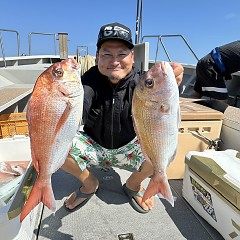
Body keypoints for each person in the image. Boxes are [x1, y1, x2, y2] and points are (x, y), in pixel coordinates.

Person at [62, 22, 184, 213]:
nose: (114, 61)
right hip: (93, 145)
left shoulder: (144, 81)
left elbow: (166, 101)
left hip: (130, 147)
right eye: (107, 54)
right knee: (55, 148)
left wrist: (173, 82)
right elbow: (77, 112)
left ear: (132, 57)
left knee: (161, 152)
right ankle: (89, 182)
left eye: (122, 54)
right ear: (97, 57)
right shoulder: (87, 81)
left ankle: (133, 185)